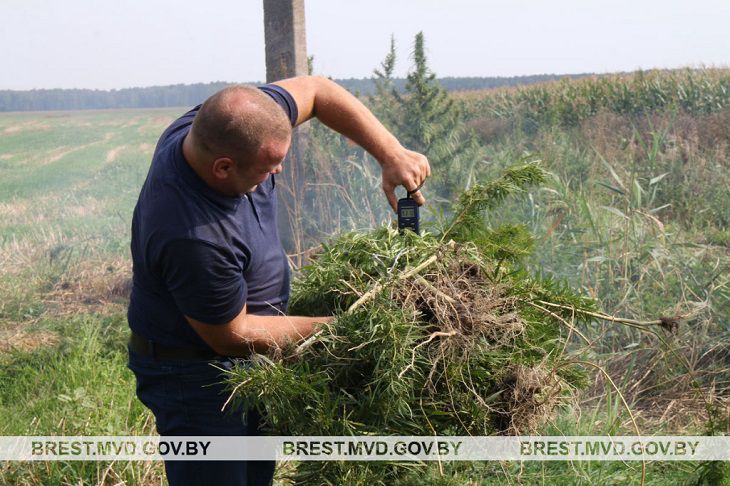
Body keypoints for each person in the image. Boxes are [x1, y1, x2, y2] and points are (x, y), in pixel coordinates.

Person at [126, 75, 430, 485]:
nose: (279, 169)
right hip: (199, 381)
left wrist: (390, 153)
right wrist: (343, 329)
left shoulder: (220, 128)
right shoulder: (190, 234)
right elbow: (232, 334)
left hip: (247, 363)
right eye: (268, 167)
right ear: (223, 168)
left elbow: (318, 90)